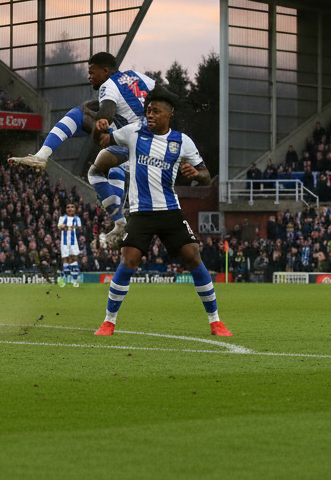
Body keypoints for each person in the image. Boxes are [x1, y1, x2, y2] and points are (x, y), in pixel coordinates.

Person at [89, 88, 231, 338]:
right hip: (141, 212)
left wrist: (197, 175)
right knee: (128, 259)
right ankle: (108, 322)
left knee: (193, 257)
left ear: (169, 114)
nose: (150, 114)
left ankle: (216, 322)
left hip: (170, 211)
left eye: (156, 110)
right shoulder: (134, 132)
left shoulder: (182, 141)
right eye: (148, 110)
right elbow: (101, 141)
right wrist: (97, 128)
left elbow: (207, 175)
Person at [9, 51, 154, 247]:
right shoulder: (138, 77)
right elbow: (161, 95)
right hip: (143, 143)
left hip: (134, 143)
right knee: (102, 169)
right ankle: (120, 222)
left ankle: (42, 155)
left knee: (79, 114)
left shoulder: (109, 86)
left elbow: (106, 115)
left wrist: (99, 124)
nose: (89, 76)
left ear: (105, 70)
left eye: (92, 72)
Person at [56, 202, 83, 287]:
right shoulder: (62, 218)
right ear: (66, 209)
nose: (70, 209)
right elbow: (59, 227)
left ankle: (74, 280)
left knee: (74, 259)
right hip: (64, 242)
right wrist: (64, 226)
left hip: (74, 242)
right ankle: (64, 279)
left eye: (72, 207)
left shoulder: (77, 218)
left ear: (75, 209)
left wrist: (70, 227)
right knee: (65, 259)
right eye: (68, 207)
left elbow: (80, 228)